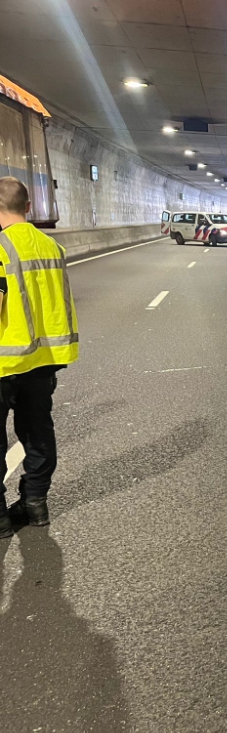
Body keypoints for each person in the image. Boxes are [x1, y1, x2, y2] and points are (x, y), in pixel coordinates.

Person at [0, 177, 78, 537]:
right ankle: (35, 503)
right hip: (42, 359)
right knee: (37, 434)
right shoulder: (51, 246)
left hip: (3, 362)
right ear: (28, 207)